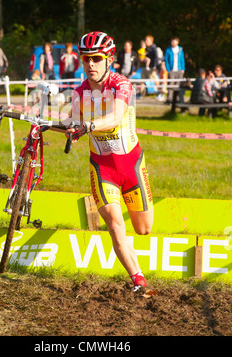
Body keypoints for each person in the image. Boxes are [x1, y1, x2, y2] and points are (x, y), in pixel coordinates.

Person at [65, 31, 154, 292]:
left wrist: (88, 126)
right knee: (115, 225)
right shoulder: (80, 91)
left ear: (109, 59)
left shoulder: (121, 84)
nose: (89, 64)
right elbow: (71, 121)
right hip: (102, 168)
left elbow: (115, 117)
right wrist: (46, 125)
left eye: (96, 58)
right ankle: (138, 280)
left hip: (132, 165)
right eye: (85, 59)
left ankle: (130, 251)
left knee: (143, 229)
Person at [164, 37, 185, 103]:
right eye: (172, 41)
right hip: (172, 70)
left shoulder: (180, 50)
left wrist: (183, 68)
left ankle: (178, 99)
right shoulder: (168, 50)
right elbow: (166, 60)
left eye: (174, 41)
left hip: (179, 70)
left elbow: (182, 59)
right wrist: (168, 69)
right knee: (171, 85)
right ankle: (169, 99)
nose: (172, 43)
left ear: (177, 42)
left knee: (179, 85)